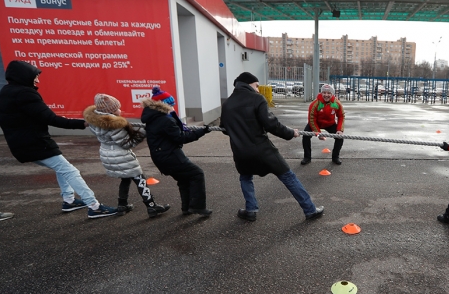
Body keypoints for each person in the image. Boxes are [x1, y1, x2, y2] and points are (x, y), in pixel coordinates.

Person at [0, 60, 117, 218]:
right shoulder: (25, 94)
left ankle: (69, 201)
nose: (38, 81)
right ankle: (94, 207)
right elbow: (51, 118)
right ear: (24, 76)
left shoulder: (7, 91)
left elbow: (4, 117)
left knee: (62, 169)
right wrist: (84, 123)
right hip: (36, 144)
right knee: (70, 171)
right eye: (35, 78)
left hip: (22, 144)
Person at [220, 72, 324, 222]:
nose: (258, 89)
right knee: (288, 176)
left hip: (240, 151)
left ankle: (251, 210)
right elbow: (271, 124)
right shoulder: (257, 99)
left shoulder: (227, 103)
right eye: (256, 86)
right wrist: (290, 133)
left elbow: (224, 128)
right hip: (263, 150)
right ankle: (310, 210)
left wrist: (239, 132)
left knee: (245, 177)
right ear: (249, 84)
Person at [84, 93, 171, 218]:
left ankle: (122, 205)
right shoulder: (114, 125)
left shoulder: (94, 121)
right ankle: (152, 206)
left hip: (107, 153)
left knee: (125, 177)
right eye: (117, 108)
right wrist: (143, 133)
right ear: (112, 111)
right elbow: (126, 144)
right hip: (120, 154)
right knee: (140, 179)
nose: (120, 110)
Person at [141, 88, 212, 217]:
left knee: (184, 179)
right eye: (171, 104)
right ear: (163, 105)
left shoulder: (154, 118)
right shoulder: (165, 120)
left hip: (161, 156)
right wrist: (202, 131)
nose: (173, 107)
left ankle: (187, 208)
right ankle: (197, 206)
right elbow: (181, 137)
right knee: (197, 174)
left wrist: (173, 115)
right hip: (170, 157)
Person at [301, 84, 345, 165]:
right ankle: (307, 157)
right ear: (321, 93)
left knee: (340, 138)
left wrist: (339, 130)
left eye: (329, 93)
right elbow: (311, 119)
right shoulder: (315, 104)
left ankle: (335, 157)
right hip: (316, 123)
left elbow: (341, 116)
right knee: (305, 136)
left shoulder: (337, 103)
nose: (326, 95)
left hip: (330, 124)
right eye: (324, 93)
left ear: (332, 94)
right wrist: (318, 133)